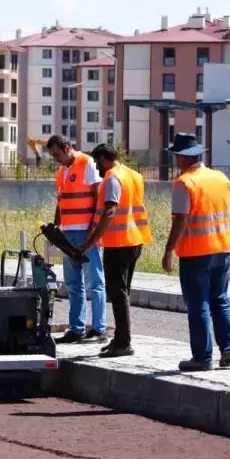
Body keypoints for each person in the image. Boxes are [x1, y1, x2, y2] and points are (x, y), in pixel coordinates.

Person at [162, 133, 230, 371]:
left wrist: (168, 250)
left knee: (199, 305)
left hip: (196, 253)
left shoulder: (185, 183)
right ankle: (229, 353)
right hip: (223, 249)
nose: (175, 160)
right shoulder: (220, 178)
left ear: (183, 158)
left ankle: (202, 358)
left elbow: (180, 220)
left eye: (176, 156)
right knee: (220, 300)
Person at [82, 144, 151, 358]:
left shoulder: (112, 178)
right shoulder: (134, 175)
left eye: (96, 163)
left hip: (118, 244)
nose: (97, 168)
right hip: (135, 241)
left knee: (118, 294)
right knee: (123, 293)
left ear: (103, 159)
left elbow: (110, 212)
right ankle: (120, 337)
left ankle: (123, 342)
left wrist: (92, 240)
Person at [46, 134, 107, 344]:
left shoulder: (87, 162)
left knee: (95, 282)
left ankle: (99, 328)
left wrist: (93, 226)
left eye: (56, 154)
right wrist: (55, 228)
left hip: (86, 233)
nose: (55, 158)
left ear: (66, 148)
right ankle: (77, 328)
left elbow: (99, 195)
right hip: (68, 233)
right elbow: (61, 202)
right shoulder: (62, 171)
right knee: (73, 284)